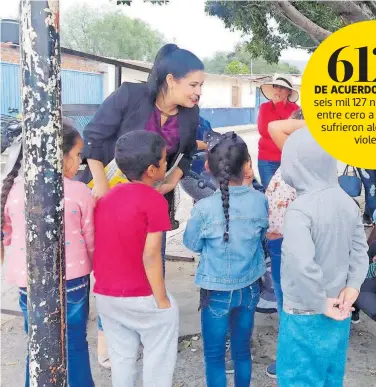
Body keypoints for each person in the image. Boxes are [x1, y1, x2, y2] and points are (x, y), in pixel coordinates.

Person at [82, 43, 203, 359]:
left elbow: (188, 154)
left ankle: (146, 327)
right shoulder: (130, 96)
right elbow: (93, 138)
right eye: (193, 84)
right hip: (110, 195)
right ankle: (110, 339)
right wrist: (105, 190)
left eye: (200, 85)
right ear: (171, 80)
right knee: (115, 265)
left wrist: (171, 182)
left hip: (151, 200)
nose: (198, 92)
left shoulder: (190, 115)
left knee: (152, 260)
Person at [1, 122, 95, 387]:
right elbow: (91, 238)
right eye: (77, 154)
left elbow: (7, 235)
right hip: (74, 281)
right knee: (74, 342)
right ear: (62, 155)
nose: (80, 161)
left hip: (27, 283)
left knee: (37, 342)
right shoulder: (79, 191)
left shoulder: (14, 191)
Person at [276, 127, 369, 387]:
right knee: (330, 375)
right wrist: (352, 287)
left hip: (304, 312)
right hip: (340, 307)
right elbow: (359, 252)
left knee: (299, 378)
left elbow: (301, 264)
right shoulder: (348, 202)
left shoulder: (299, 211)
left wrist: (319, 301)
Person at [93, 131, 179, 387]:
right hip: (142, 295)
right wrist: (162, 299)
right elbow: (151, 255)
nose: (167, 164)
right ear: (152, 170)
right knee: (159, 358)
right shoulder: (154, 200)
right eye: (164, 161)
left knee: (122, 359)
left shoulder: (106, 197)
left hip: (106, 296)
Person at [183, 132, 268, 387]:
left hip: (216, 292)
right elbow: (263, 237)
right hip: (250, 288)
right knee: (242, 352)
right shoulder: (260, 201)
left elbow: (191, 243)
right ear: (247, 166)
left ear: (208, 167)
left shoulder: (204, 208)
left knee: (214, 356)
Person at [263, 108, 306, 379]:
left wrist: (320, 125)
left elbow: (275, 127)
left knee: (288, 307)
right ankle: (295, 361)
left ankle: (289, 364)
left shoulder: (299, 166)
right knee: (293, 306)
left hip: (286, 248)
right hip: (285, 246)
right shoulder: (300, 165)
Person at [257, 75, 299, 189]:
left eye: (282, 87)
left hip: (288, 159)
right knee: (270, 191)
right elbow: (264, 131)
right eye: (276, 86)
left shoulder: (295, 109)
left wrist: (279, 106)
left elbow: (293, 131)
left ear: (289, 91)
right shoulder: (264, 107)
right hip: (267, 160)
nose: (278, 90)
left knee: (289, 192)